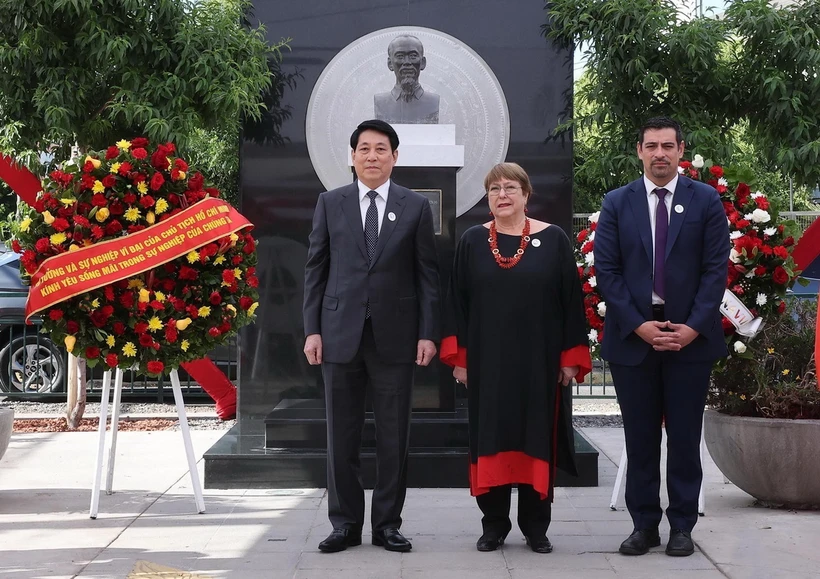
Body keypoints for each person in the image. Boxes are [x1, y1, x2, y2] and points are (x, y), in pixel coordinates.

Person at [303, 119, 440, 554]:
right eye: (364, 149)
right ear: (353, 156)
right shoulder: (330, 202)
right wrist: (312, 329)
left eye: (381, 149)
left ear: (395, 157)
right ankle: (344, 523)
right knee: (340, 435)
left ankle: (387, 524)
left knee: (393, 437)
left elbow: (427, 277)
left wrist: (427, 334)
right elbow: (315, 270)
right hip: (339, 335)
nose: (372, 156)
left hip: (396, 339)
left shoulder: (416, 207)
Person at [594, 117, 729, 557]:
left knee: (686, 438)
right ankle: (644, 525)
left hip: (690, 338)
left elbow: (715, 271)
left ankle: (683, 527)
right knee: (640, 436)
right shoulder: (617, 202)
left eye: (667, 145)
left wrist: (692, 327)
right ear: (639, 151)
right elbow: (607, 272)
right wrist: (638, 325)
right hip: (635, 337)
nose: (659, 154)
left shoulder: (706, 200)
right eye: (651, 145)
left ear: (680, 150)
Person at [440, 162, 591, 554]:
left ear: (526, 194)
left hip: (539, 364)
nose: (501, 195)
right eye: (494, 190)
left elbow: (571, 302)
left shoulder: (554, 239)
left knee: (535, 435)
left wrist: (570, 357)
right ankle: (493, 525)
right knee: (490, 436)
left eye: (510, 188)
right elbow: (457, 302)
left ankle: (536, 527)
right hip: (488, 364)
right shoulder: (473, 241)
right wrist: (460, 358)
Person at [374, 35, 440, 124]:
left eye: (413, 56)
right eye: (400, 56)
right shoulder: (380, 102)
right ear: (390, 64)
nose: (407, 62)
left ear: (423, 63)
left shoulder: (434, 102)